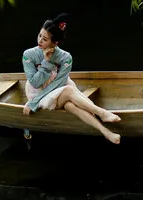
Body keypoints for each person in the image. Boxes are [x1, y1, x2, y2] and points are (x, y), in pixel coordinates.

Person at [22, 13, 121, 144]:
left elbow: (59, 83)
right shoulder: (28, 55)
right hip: (38, 93)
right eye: (40, 35)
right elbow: (34, 82)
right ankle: (102, 113)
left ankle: (107, 133)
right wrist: (45, 63)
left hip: (59, 88)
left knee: (70, 105)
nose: (40, 40)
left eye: (45, 39)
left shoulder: (65, 57)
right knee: (69, 90)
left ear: (54, 42)